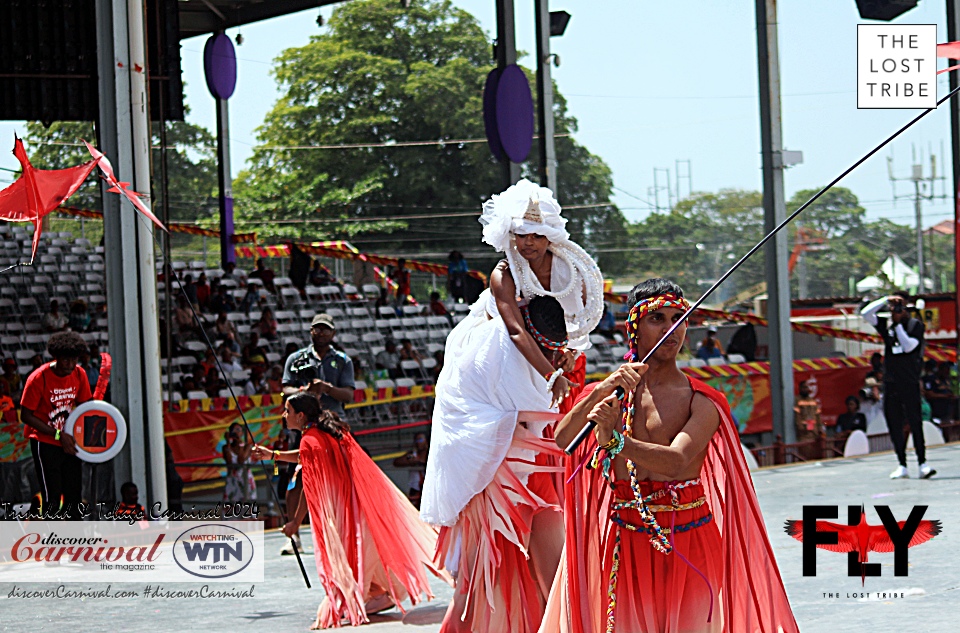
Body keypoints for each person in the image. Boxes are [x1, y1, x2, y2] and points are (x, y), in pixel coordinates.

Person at [547, 278, 798, 633]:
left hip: (691, 540)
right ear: (632, 327)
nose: (671, 329)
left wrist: (616, 443)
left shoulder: (703, 399)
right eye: (657, 319)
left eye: (678, 319)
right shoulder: (610, 393)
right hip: (624, 539)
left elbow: (677, 460)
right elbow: (564, 439)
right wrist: (602, 388)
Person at [422, 180, 605, 633]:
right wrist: (551, 372)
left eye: (536, 234)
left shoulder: (571, 268)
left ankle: (556, 608)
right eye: (520, 233)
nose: (527, 242)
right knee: (506, 430)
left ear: (551, 237)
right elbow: (517, 331)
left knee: (546, 477)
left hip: (548, 359)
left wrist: (564, 358)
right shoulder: (504, 273)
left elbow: (573, 323)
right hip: (497, 357)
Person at [252, 393, 449, 627]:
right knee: (363, 556)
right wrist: (274, 455)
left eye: (287, 410)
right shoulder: (325, 433)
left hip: (342, 512)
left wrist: (295, 521)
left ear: (301, 415)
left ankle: (352, 601)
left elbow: (310, 484)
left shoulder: (310, 440)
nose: (284, 415)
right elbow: (307, 457)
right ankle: (375, 597)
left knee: (345, 559)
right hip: (358, 507)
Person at [20, 331, 93, 519]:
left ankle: (76, 542)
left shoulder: (79, 373)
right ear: (56, 358)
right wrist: (58, 435)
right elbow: (26, 416)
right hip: (45, 441)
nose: (70, 364)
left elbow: (86, 406)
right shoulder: (38, 378)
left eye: (74, 359)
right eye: (65, 360)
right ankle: (54, 542)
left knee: (74, 495)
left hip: (69, 440)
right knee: (52, 496)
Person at [860, 293, 934, 479]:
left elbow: (909, 346)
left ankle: (922, 463)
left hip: (909, 381)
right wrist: (885, 301)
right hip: (891, 383)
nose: (897, 310)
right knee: (894, 422)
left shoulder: (915, 325)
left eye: (900, 305)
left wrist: (899, 323)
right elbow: (866, 313)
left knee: (915, 422)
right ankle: (902, 463)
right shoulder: (888, 325)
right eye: (895, 306)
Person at [282, 313, 355, 418]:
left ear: (333, 333)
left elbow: (348, 396)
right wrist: (305, 391)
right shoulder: (295, 358)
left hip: (333, 421)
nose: (321, 334)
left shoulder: (343, 360)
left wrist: (327, 388)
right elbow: (285, 390)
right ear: (311, 331)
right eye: (318, 329)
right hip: (303, 421)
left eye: (326, 330)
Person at [222, 422, 256, 503]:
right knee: (231, 507)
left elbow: (241, 460)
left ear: (242, 433)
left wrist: (240, 445)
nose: (236, 432)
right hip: (232, 479)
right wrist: (228, 442)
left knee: (248, 506)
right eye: (233, 430)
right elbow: (229, 462)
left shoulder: (247, 447)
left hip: (245, 479)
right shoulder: (226, 447)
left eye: (238, 430)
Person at [393, 432, 430, 508]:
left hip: (429, 488)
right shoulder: (412, 454)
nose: (417, 443)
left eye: (420, 440)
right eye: (416, 440)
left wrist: (419, 462)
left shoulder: (431, 453)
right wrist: (409, 461)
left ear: (426, 440)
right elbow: (396, 462)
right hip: (415, 489)